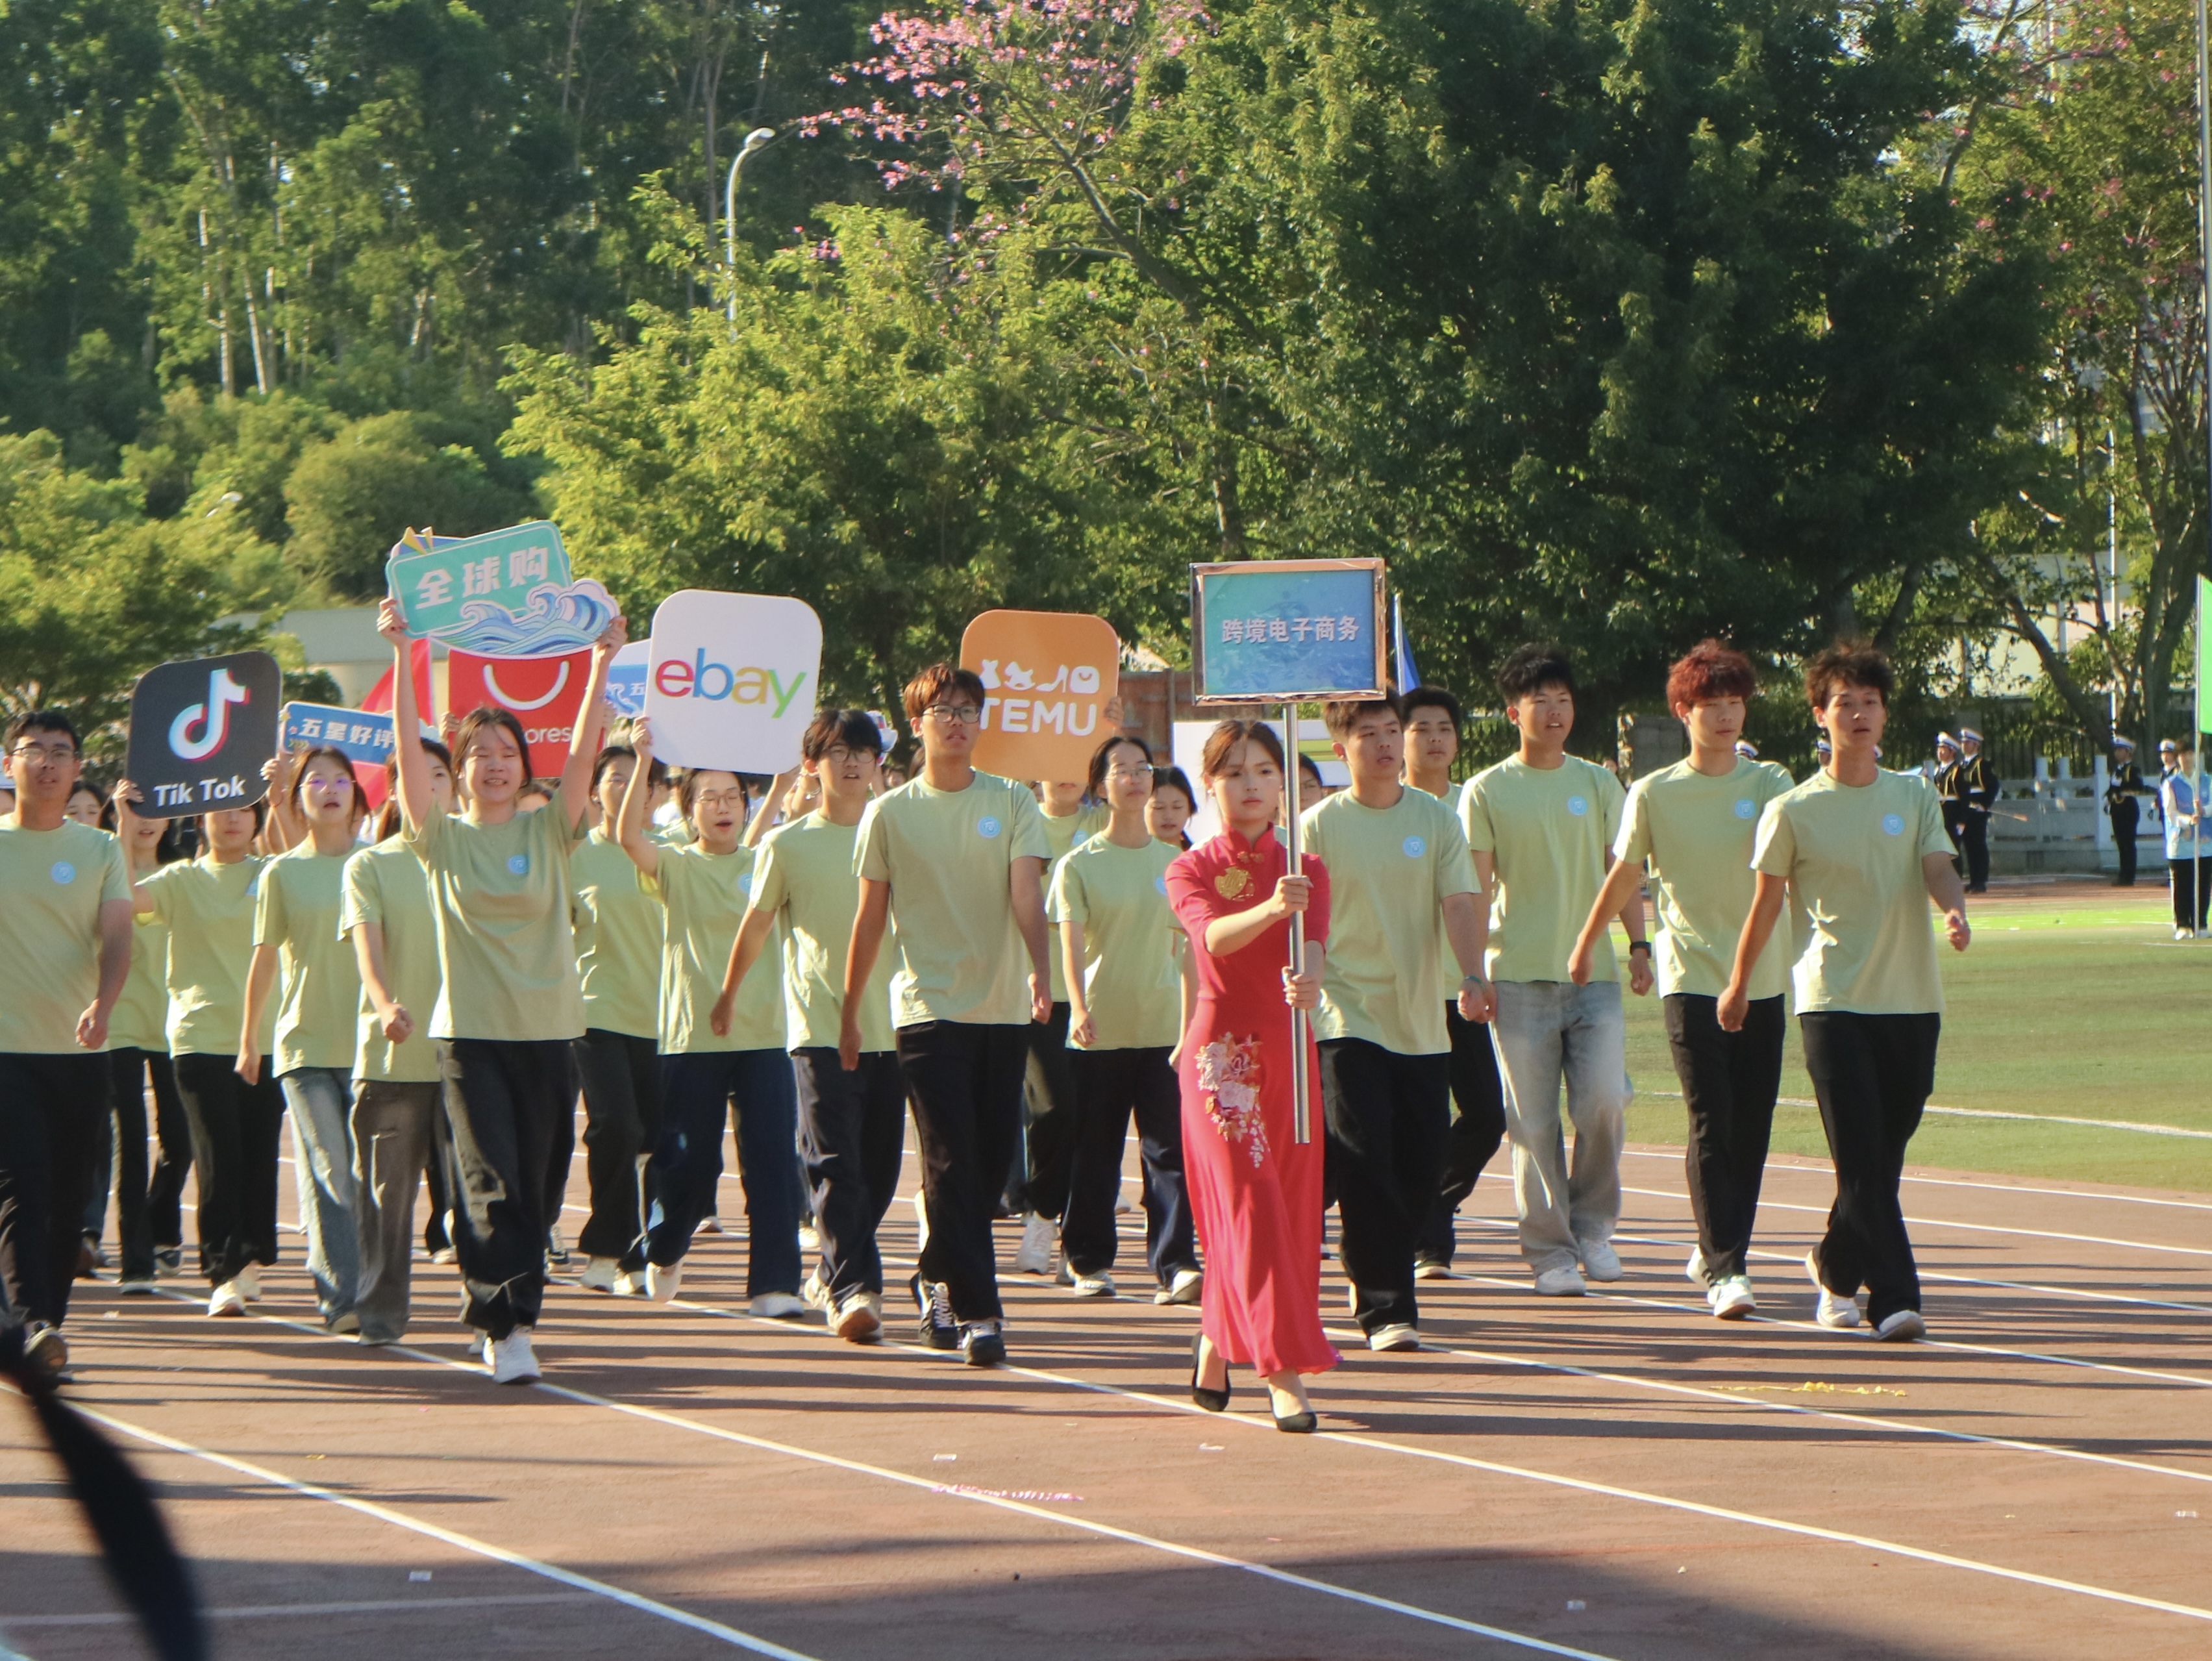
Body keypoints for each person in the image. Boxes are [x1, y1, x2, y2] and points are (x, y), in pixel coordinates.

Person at [379, 593, 623, 1385]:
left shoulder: (549, 828)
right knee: (490, 1183)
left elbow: (583, 755)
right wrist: (402, 654)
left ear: (523, 766)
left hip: (548, 1031)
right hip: (471, 1036)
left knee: (540, 1190)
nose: (492, 763)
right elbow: (409, 756)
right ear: (460, 769)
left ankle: (506, 1298)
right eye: (477, 752)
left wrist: (601, 661)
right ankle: (506, 1323)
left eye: (506, 752)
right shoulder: (439, 837)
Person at [1722, 642, 1968, 1343]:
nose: (1857, 714)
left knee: (1883, 1154)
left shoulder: (1912, 795)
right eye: (1843, 703)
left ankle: (1833, 1265)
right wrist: (1738, 985)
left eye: (1869, 702)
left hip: (1910, 999)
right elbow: (1765, 906)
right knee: (1860, 1154)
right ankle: (1893, 1298)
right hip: (1831, 1000)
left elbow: (1936, 864)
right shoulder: (1791, 809)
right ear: (1819, 715)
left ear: (1883, 714)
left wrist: (1953, 907)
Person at [1569, 642, 1793, 1320]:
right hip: (1690, 976)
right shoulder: (1654, 792)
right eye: (1710, 705)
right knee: (1709, 1118)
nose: (1724, 716)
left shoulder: (1770, 783)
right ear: (1682, 712)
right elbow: (1624, 872)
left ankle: (1715, 1241)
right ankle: (1726, 1268)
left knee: (1750, 1127)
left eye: (1734, 704)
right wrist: (1587, 943)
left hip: (1762, 975)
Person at [845, 663, 1051, 1368]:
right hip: (926, 1010)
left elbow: (1026, 893)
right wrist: (850, 1010)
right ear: (917, 724)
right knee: (950, 1158)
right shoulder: (889, 812)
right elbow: (869, 919)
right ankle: (979, 1313)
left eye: (967, 709)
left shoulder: (1011, 800)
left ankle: (933, 1272)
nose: (956, 721)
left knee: (987, 1170)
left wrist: (1041, 968)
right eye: (942, 711)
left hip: (1001, 1007)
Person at [1460, 645, 1649, 1297]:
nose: (1553, 712)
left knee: (1603, 1100)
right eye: (1539, 701)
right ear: (1513, 712)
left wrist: (1638, 944)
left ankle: (1592, 1226)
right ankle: (1549, 1252)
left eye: (1562, 700)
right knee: (1531, 1122)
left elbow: (1620, 870)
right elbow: (1476, 889)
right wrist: (1472, 971)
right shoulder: (1487, 789)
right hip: (1516, 977)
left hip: (1593, 976)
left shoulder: (1597, 784)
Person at [1302, 697, 1485, 1351]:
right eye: (1368, 734)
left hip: (1420, 1017)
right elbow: (1306, 919)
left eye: (1390, 731)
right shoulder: (1316, 826)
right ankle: (1386, 1307)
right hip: (1345, 1012)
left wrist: (1473, 973)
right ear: (1341, 749)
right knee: (1363, 1152)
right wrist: (1305, 979)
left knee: (1421, 1159)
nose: (1383, 744)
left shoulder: (1435, 819)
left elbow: (1458, 900)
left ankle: (1366, 1259)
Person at [714, 709, 901, 1343]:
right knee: (834, 1162)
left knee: (878, 1170)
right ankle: (854, 1289)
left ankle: (831, 1269)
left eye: (862, 751)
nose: (851, 762)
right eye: (837, 751)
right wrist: (728, 993)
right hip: (819, 1027)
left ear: (877, 763)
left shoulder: (897, 836)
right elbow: (757, 924)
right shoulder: (787, 844)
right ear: (812, 764)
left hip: (891, 1024)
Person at [1171, 721, 1334, 1431]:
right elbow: (1210, 939)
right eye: (1234, 772)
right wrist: (1271, 907)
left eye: (1265, 771)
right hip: (1221, 1059)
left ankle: (1215, 1342)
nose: (1251, 785)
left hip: (1290, 1051)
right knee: (1250, 1206)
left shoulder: (1307, 867)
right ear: (1210, 783)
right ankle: (1280, 1369)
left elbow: (1314, 945)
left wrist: (1309, 980)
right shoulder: (1189, 868)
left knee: (1290, 1211)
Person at [614, 719, 801, 1312]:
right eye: (708, 798)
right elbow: (627, 837)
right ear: (688, 809)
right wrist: (643, 759)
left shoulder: (765, 860)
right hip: (692, 1037)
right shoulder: (676, 865)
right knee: (690, 1167)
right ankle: (665, 1245)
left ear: (746, 805)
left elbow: (771, 826)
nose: (722, 808)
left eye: (731, 797)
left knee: (772, 1161)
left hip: (763, 1035)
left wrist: (784, 780)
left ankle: (774, 1285)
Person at [0, 714, 132, 1381]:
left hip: (80, 1051)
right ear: (10, 764)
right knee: (23, 1188)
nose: (47, 763)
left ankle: (46, 1324)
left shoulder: (100, 849)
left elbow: (118, 934)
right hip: (6, 1052)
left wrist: (103, 1005)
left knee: (67, 1199)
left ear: (78, 767)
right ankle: (32, 1324)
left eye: (60, 752)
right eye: (33, 751)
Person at [1052, 734, 1199, 1304]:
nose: (1136, 779)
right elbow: (1070, 945)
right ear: (1100, 786)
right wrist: (1078, 1006)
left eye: (1143, 768)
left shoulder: (1177, 864)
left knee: (1169, 1153)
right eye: (1122, 770)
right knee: (1096, 1151)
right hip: (1100, 1030)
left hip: (1164, 1029)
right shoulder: (1079, 864)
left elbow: (1189, 954)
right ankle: (1087, 1259)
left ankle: (1175, 1263)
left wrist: (1190, 1026)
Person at [121, 790, 279, 1321]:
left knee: (258, 1154)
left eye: (243, 809)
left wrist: (282, 795)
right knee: (217, 1156)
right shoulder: (181, 879)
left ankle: (250, 1254)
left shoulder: (271, 873)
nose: (232, 819)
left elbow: (307, 869)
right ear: (200, 819)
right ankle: (222, 1271)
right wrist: (125, 826)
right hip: (199, 1038)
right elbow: (126, 896)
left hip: (264, 1037)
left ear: (256, 818)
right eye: (221, 809)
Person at [239, 747, 367, 1334]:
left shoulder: (376, 864)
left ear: (357, 797)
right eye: (316, 780)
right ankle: (342, 1298)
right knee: (330, 1167)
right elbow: (264, 959)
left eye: (340, 780)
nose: (329, 788)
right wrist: (249, 1039)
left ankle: (356, 1277)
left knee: (359, 1176)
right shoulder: (281, 872)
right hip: (304, 1044)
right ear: (298, 800)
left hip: (370, 1044)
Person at [340, 740, 455, 1344]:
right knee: (387, 1202)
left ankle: (490, 1312)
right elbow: (368, 949)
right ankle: (380, 1316)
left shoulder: (474, 856)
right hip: (394, 1058)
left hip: (470, 1055)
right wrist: (386, 1003)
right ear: (394, 790)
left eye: (439, 774)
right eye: (415, 775)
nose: (428, 786)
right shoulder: (369, 865)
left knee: (480, 1201)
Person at [1400, 685, 1508, 1281]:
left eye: (1444, 728)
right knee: (1414, 1121)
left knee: (1485, 1116)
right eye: (1420, 729)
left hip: (1463, 987)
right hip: (1402, 990)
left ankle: (1431, 1206)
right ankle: (1429, 1243)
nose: (1434, 740)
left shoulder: (1475, 803)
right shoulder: (1387, 806)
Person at [569, 742, 668, 1293]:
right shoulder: (575, 857)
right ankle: (605, 1250)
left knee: (652, 1141)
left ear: (655, 794)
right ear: (594, 790)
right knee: (615, 1126)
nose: (628, 789)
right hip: (596, 1013)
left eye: (640, 780)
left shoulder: (671, 855)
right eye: (615, 778)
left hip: (662, 1018)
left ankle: (638, 1252)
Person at [1010, 778, 1108, 1275]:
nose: (1063, 774)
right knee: (1052, 1107)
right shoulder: (1019, 818)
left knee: (1093, 1116)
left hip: (1099, 991)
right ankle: (1043, 1215)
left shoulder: (1102, 819)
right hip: (1038, 991)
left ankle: (1082, 1240)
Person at [96, 801, 190, 1295]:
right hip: (121, 1021)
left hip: (176, 1023)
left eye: (155, 810)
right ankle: (136, 1261)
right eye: (136, 811)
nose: (146, 820)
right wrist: (122, 831)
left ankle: (160, 1222)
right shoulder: (104, 870)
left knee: (181, 1139)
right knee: (130, 1142)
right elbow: (122, 903)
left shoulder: (183, 875)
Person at [2159, 748, 2207, 938]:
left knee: (2203, 884)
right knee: (2182, 885)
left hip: (2205, 842)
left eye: (2190, 754)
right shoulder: (2171, 783)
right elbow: (2171, 812)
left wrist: (2204, 810)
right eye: (2183, 755)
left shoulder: (2206, 780)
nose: (2187, 758)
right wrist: (2188, 820)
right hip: (2180, 844)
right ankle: (2182, 924)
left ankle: (2200, 923)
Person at [1951, 729, 1997, 893]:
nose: (1964, 745)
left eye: (1967, 743)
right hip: (1965, 810)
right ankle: (1972, 880)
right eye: (1963, 743)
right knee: (1968, 847)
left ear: (1976, 745)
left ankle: (1980, 881)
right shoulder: (1961, 766)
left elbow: (1993, 786)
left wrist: (1984, 804)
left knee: (1978, 846)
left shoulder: (1982, 765)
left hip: (1977, 812)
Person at [2105, 739, 2148, 888]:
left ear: (2128, 752)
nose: (2117, 753)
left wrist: (2121, 789)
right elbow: (2112, 789)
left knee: (2128, 843)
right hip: (2117, 810)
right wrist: (2107, 798)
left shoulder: (2133, 770)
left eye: (2120, 750)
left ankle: (2129, 876)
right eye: (2116, 750)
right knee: (2121, 843)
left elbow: (2138, 787)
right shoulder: (2116, 770)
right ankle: (2123, 874)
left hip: (2128, 808)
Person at [1148, 767, 1195, 849]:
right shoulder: (1129, 854)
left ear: (1189, 808)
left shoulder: (1199, 855)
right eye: (1159, 807)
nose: (1169, 816)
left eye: (1177, 807)